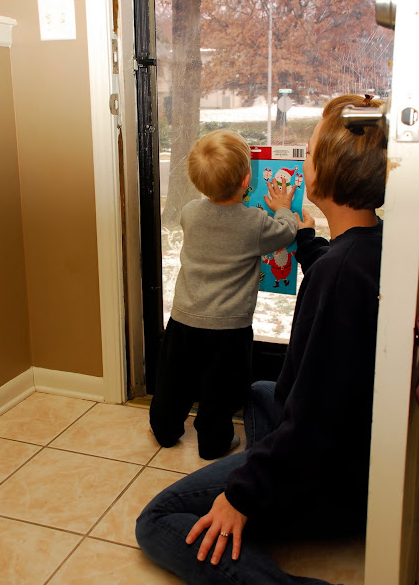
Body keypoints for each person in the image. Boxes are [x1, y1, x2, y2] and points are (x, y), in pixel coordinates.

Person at [137, 94, 387, 584]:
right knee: (255, 390)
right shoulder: (369, 247)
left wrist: (242, 495)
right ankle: (266, 467)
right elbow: (327, 267)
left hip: (328, 473)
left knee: (157, 521)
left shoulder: (336, 276)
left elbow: (314, 418)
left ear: (329, 170)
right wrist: (307, 237)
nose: (302, 163)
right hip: (354, 448)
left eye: (308, 153)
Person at [150, 129, 298, 460]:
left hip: (184, 319)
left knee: (173, 381)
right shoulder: (255, 223)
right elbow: (287, 233)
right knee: (221, 391)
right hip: (229, 329)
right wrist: (283, 208)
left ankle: (164, 428)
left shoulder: (189, 212)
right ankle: (214, 442)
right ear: (247, 180)